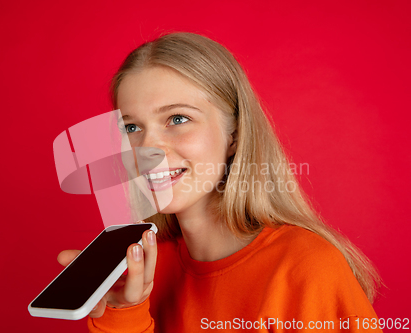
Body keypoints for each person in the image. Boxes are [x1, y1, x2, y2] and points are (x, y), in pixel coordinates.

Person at [57, 32, 382, 332]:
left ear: (234, 136)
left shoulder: (306, 269)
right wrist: (126, 316)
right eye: (131, 127)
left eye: (178, 119)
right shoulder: (141, 273)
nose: (145, 150)